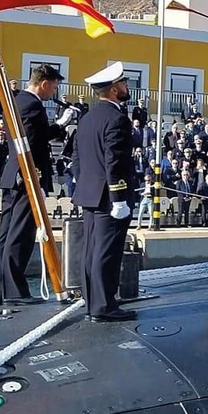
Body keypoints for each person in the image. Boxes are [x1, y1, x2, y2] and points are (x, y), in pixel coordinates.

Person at [0, 63, 75, 305]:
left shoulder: (18, 101)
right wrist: (60, 125)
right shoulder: (31, 104)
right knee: (20, 234)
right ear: (45, 83)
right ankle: (15, 292)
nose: (53, 93)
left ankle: (1, 289)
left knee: (6, 234)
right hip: (25, 177)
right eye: (54, 87)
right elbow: (29, 144)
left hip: (14, 176)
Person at [70, 62, 137, 322]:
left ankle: (92, 300)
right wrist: (119, 198)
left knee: (92, 250)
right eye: (122, 83)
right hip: (109, 197)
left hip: (89, 193)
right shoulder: (117, 118)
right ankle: (104, 306)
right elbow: (115, 161)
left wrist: (85, 181)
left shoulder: (86, 118)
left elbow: (76, 157)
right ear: (112, 90)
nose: (126, 87)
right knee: (107, 252)